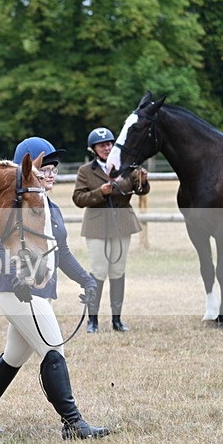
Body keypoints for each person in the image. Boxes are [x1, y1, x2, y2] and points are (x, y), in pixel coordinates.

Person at [0, 136, 109, 440]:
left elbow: (63, 253)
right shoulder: (13, 205)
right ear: (26, 171)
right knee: (53, 349)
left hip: (41, 292)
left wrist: (86, 279)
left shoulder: (49, 207)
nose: (52, 173)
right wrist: (17, 275)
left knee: (13, 358)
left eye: (54, 168)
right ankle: (73, 423)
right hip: (18, 292)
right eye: (45, 169)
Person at [72, 127, 150, 333]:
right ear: (93, 149)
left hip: (122, 223)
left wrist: (143, 180)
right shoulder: (85, 171)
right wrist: (100, 192)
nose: (106, 148)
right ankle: (93, 320)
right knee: (98, 271)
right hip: (97, 225)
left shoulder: (126, 167)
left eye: (109, 144)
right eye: (102, 145)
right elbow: (78, 199)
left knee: (118, 271)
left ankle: (117, 319)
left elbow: (141, 190)